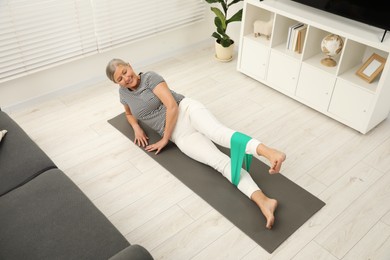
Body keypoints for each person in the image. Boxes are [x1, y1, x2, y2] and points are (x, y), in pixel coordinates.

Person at [106, 58, 286, 229]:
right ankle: (264, 201)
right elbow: (129, 113)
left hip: (186, 110)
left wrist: (164, 139)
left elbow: (172, 106)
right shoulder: (123, 94)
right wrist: (136, 127)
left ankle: (269, 152)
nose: (125, 78)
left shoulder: (150, 78)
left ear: (129, 65)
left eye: (125, 71)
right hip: (180, 135)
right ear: (117, 84)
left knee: (218, 133)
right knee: (219, 163)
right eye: (119, 79)